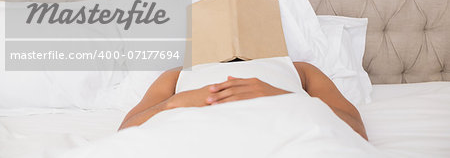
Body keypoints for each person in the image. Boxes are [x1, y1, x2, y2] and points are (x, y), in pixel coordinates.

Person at [118, 61, 368, 140]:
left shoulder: (298, 68)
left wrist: (280, 95)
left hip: (282, 131)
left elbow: (355, 130)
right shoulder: (178, 73)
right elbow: (124, 133)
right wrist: (176, 102)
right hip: (196, 134)